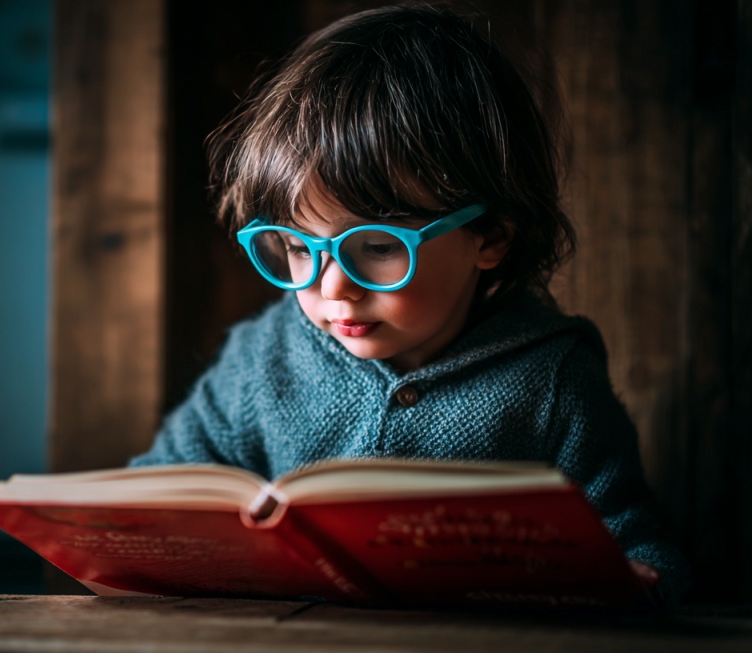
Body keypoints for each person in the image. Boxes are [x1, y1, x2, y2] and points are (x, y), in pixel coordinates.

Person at [129, 4, 688, 605]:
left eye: (376, 247)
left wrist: (638, 585)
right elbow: (158, 489)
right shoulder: (260, 358)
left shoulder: (553, 384)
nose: (332, 286)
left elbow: (640, 550)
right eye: (295, 246)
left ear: (491, 237)